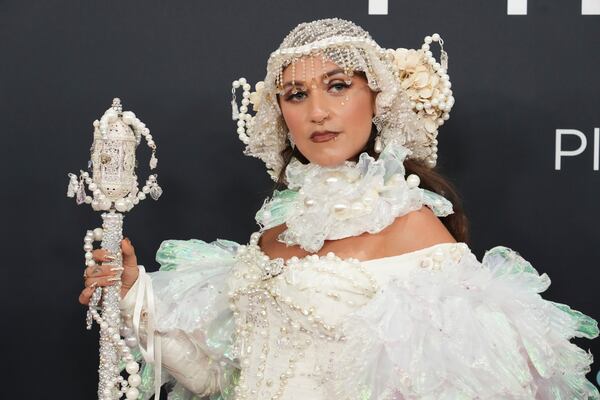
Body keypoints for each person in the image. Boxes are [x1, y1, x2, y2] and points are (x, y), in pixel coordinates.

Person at [79, 18, 599, 400]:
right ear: (279, 112)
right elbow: (222, 380)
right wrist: (132, 296)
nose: (318, 112)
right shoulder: (273, 234)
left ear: (377, 98)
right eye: (296, 94)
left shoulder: (415, 230)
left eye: (337, 86)